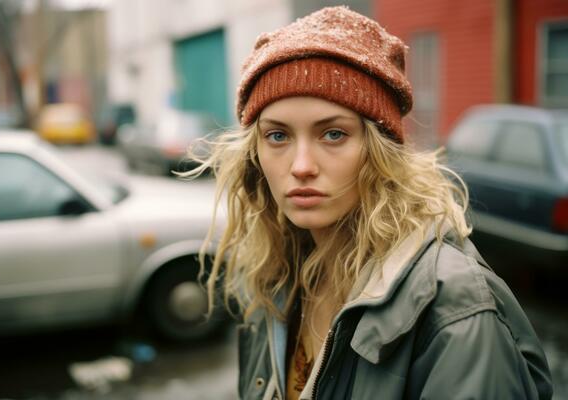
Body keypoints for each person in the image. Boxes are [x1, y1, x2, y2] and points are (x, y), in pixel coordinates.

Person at [191, 6, 553, 400]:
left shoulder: (453, 309)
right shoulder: (278, 278)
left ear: (380, 151)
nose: (301, 167)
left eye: (333, 134)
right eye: (277, 136)